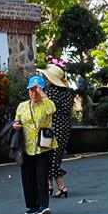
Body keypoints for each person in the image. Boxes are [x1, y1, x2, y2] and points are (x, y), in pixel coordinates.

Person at [13, 75, 60, 214]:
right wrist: (15, 125)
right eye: (31, 90)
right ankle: (32, 205)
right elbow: (16, 120)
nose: (33, 93)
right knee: (27, 177)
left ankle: (43, 206)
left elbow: (51, 110)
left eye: (36, 90)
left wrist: (42, 93)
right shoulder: (22, 106)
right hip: (26, 146)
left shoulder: (47, 104)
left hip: (44, 146)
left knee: (41, 176)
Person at [41, 62, 81, 199]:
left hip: (51, 126)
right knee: (56, 156)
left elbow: (46, 110)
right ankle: (49, 185)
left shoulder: (50, 92)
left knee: (48, 156)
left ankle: (60, 185)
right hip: (64, 126)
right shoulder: (68, 93)